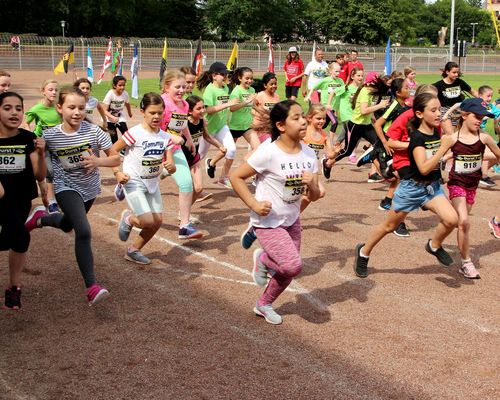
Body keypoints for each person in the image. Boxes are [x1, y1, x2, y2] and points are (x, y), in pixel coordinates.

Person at [25, 87, 121, 305]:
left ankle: (40, 219)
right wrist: (40, 151)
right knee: (83, 230)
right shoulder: (49, 135)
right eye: (71, 107)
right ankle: (91, 287)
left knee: (68, 224)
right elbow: (40, 167)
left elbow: (115, 159)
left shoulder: (94, 131)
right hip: (65, 187)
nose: (77, 112)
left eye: (81, 108)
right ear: (60, 108)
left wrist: (98, 162)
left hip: (89, 188)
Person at [230, 100, 320, 325]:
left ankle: (264, 304)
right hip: (268, 221)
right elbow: (236, 177)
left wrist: (313, 186)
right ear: (281, 126)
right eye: (296, 117)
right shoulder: (268, 152)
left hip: (292, 219)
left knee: (289, 270)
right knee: (292, 265)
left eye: (303, 116)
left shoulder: (309, 154)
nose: (303, 121)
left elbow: (315, 195)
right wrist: (253, 204)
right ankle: (263, 258)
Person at [354, 93, 459, 278]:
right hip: (411, 189)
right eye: (433, 110)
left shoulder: (436, 130)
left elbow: (436, 159)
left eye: (439, 110)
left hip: (432, 188)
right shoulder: (417, 137)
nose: (438, 114)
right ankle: (363, 251)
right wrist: (444, 148)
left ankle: (434, 246)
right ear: (419, 114)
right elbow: (424, 168)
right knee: (389, 226)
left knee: (452, 219)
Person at [111, 93, 176, 265]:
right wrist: (117, 172)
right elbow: (112, 151)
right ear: (142, 111)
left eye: (160, 113)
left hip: (152, 183)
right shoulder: (134, 133)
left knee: (157, 222)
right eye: (152, 112)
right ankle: (129, 219)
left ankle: (133, 250)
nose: (156, 116)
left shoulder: (165, 137)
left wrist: (171, 166)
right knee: (147, 221)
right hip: (133, 181)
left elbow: (171, 164)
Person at [0, 92, 46, 309]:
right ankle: (15, 287)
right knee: (20, 237)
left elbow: (38, 175)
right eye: (7, 108)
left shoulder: (27, 138)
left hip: (22, 198)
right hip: (1, 199)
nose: (14, 113)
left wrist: (42, 153)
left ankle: (13, 288)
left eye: (18, 108)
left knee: (13, 240)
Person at [446, 98, 500, 278]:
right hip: (456, 183)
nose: (480, 120)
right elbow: (438, 157)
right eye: (477, 116)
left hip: (472, 186)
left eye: (483, 118)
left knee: (459, 223)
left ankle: (440, 236)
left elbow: (498, 155)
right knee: (464, 222)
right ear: (464, 115)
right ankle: (466, 263)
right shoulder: (453, 138)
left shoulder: (484, 137)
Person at [160, 70, 203, 239]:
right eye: (177, 87)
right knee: (144, 181)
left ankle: (184, 226)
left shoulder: (184, 105)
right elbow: (153, 129)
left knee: (186, 183)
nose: (181, 90)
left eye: (184, 87)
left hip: (174, 149)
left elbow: (182, 122)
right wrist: (171, 136)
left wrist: (189, 139)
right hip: (153, 150)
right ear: (166, 87)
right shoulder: (161, 103)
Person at [331, 72, 390, 182]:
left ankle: (375, 172)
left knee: (379, 144)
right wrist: (380, 105)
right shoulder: (365, 92)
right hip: (356, 125)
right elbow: (363, 111)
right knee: (347, 151)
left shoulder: (371, 92)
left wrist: (372, 117)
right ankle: (328, 162)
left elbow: (369, 108)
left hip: (366, 126)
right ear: (371, 83)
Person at [371, 78, 411, 238]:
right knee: (398, 178)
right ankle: (398, 220)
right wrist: (384, 142)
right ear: (398, 92)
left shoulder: (405, 106)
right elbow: (378, 124)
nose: (409, 89)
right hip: (387, 144)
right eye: (407, 88)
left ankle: (387, 201)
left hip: (397, 145)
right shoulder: (394, 105)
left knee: (400, 178)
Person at [197, 62, 238, 189]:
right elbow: (208, 110)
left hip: (221, 126)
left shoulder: (225, 88)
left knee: (231, 150)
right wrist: (227, 104)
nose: (226, 76)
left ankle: (223, 178)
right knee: (198, 156)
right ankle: (189, 179)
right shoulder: (210, 90)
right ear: (214, 76)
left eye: (227, 74)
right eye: (223, 74)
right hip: (208, 129)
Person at [25, 79, 61, 213]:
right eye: (50, 89)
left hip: (57, 144)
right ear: (43, 92)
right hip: (43, 145)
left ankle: (55, 195)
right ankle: (52, 202)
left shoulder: (59, 107)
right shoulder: (36, 109)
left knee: (61, 171)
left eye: (56, 90)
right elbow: (26, 122)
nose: (54, 92)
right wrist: (32, 136)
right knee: (50, 172)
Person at [185, 96, 227, 204]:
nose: (203, 110)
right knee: (187, 187)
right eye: (199, 108)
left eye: (203, 107)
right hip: (182, 159)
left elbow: (207, 136)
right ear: (189, 111)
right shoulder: (184, 124)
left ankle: (185, 212)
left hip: (194, 159)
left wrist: (220, 146)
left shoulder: (202, 121)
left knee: (198, 188)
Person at [301, 104, 339, 212]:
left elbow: (330, 155)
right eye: (318, 118)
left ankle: (292, 219)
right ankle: (291, 219)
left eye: (324, 118)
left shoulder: (324, 135)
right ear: (309, 118)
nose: (322, 121)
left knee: (318, 193)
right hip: (299, 169)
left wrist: (336, 151)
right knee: (314, 192)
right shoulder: (304, 131)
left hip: (311, 170)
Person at [434, 61, 477, 135]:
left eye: (457, 72)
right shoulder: (438, 85)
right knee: (451, 135)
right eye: (454, 72)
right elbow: (429, 97)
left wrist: (482, 100)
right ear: (447, 72)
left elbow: (472, 92)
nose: (456, 74)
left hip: (458, 111)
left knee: (455, 135)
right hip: (445, 111)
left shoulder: (460, 82)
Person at [228, 67, 259, 156]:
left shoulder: (252, 90)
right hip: (234, 126)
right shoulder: (236, 91)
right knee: (229, 154)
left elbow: (252, 105)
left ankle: (248, 165)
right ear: (240, 78)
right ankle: (212, 163)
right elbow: (232, 108)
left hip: (247, 126)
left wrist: (264, 113)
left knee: (258, 148)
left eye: (251, 78)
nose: (250, 81)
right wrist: (246, 102)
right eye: (247, 78)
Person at [309, 62, 344, 137]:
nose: (338, 73)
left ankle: (311, 135)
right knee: (335, 122)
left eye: (339, 71)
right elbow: (314, 87)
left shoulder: (341, 81)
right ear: (331, 71)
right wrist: (308, 96)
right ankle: (330, 142)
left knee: (323, 126)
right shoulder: (325, 80)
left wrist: (337, 110)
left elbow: (342, 94)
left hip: (334, 108)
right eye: (336, 71)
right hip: (325, 107)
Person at [102, 75, 133, 143]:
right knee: (114, 138)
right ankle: (114, 152)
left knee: (126, 134)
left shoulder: (125, 94)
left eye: (124, 85)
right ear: (114, 85)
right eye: (120, 85)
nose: (122, 87)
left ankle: (124, 150)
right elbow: (104, 110)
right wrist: (112, 117)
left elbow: (127, 104)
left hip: (119, 117)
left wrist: (130, 113)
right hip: (109, 119)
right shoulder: (110, 94)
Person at [252, 72, 280, 144]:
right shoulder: (260, 95)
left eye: (275, 84)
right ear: (265, 85)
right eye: (271, 84)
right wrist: (262, 116)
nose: (274, 86)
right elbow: (252, 107)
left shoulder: (277, 97)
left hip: (271, 128)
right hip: (259, 128)